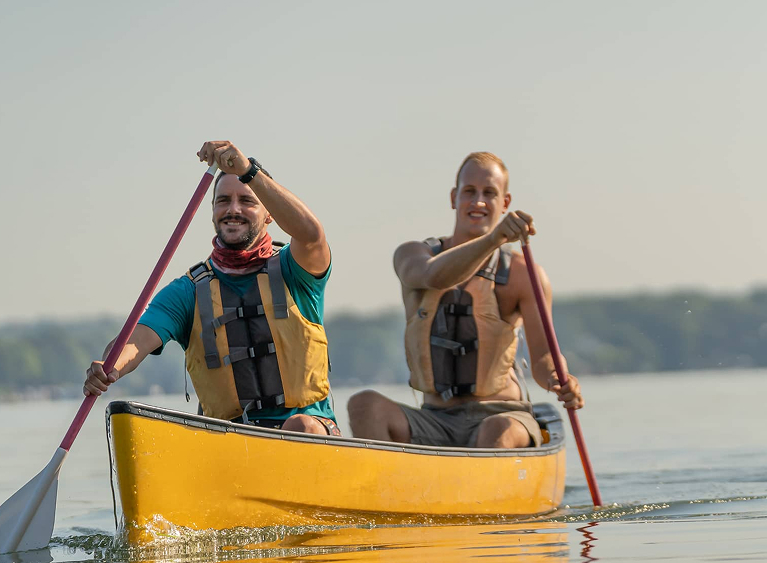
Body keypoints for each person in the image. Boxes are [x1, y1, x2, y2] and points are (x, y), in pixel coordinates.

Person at [83, 140, 340, 436]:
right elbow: (136, 342)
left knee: (300, 425)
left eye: (247, 200)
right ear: (213, 211)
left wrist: (247, 170)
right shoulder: (187, 292)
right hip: (231, 444)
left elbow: (311, 234)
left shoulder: (297, 269)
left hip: (312, 432)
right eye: (223, 201)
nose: (233, 209)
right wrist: (110, 366)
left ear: (269, 213)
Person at [348, 152, 583, 448]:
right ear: (453, 197)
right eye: (469, 192)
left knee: (495, 431)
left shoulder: (523, 274)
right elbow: (435, 277)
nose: (479, 202)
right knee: (363, 404)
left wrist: (558, 379)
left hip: (503, 416)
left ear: (505, 203)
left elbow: (543, 356)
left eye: (489, 193)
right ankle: (385, 489)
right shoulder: (412, 255)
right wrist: (493, 239)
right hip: (435, 419)